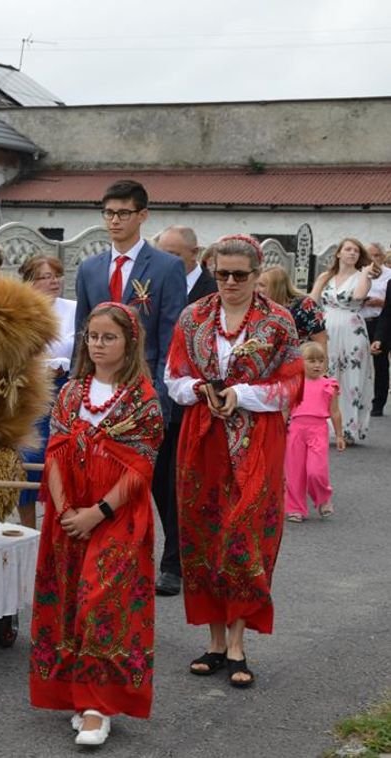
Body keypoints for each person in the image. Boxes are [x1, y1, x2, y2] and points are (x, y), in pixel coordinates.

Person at [167, 234, 303, 689]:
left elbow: (291, 384)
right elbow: (174, 376)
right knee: (204, 533)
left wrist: (241, 393)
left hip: (257, 440)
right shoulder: (194, 316)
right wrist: (200, 390)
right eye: (221, 273)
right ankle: (214, 639)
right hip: (202, 440)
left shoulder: (278, 321)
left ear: (256, 274)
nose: (228, 282)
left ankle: (239, 642)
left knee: (245, 535)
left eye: (239, 275)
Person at [29, 302, 164, 747]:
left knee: (101, 604)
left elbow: (140, 468)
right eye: (93, 337)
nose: (99, 345)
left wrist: (96, 514)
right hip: (70, 516)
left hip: (116, 517)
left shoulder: (143, 398)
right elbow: (55, 451)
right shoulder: (71, 392)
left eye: (110, 338)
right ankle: (79, 695)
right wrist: (66, 509)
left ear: (130, 343)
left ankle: (98, 708)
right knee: (69, 602)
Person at [75, 180, 186, 597]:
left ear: (142, 216)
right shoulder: (89, 269)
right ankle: (106, 553)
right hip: (98, 392)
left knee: (159, 483)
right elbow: (82, 334)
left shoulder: (165, 268)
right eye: (108, 213)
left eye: (123, 213)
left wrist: (158, 398)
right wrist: (76, 389)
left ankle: (173, 563)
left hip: (147, 393)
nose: (114, 221)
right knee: (101, 480)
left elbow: (170, 334)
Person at [147, 224, 218, 598]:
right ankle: (177, 554)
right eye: (164, 253)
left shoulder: (210, 291)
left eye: (175, 254)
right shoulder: (154, 283)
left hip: (194, 402)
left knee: (181, 483)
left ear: (195, 253)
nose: (168, 261)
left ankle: (175, 563)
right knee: (160, 481)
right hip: (156, 395)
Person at [16, 254, 76, 529]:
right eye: (46, 276)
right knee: (29, 458)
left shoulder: (74, 309)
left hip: (65, 391)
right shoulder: (22, 311)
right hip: (32, 392)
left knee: (61, 459)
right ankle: (29, 529)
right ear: (30, 282)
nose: (54, 282)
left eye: (57, 275)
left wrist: (60, 365)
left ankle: (57, 527)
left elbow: (77, 351)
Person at [311, 237, 379, 444]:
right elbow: (312, 301)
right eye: (348, 249)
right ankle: (325, 426)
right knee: (327, 374)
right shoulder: (326, 276)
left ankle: (349, 429)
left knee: (351, 378)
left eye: (356, 251)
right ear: (339, 253)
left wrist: (366, 274)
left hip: (352, 328)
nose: (352, 253)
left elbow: (358, 296)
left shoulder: (362, 276)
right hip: (328, 326)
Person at [285, 341, 344, 523]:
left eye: (320, 360)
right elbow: (285, 410)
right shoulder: (294, 384)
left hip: (318, 430)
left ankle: (323, 498)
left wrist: (340, 435)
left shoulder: (329, 385)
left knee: (316, 471)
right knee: (294, 472)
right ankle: (295, 508)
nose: (317, 365)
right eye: (311, 360)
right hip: (295, 430)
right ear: (300, 363)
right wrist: (279, 430)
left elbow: (335, 411)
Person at [257, 266, 327, 346]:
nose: (257, 290)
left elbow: (320, 340)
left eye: (262, 285)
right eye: (256, 285)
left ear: (277, 287)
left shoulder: (305, 305)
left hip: (300, 354)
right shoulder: (259, 304)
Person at [362, 243, 390, 416]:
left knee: (380, 363)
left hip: (381, 321)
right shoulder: (360, 274)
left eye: (377, 256)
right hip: (360, 320)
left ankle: (378, 403)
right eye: (369, 256)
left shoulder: (388, 275)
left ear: (382, 257)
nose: (373, 260)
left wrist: (380, 302)